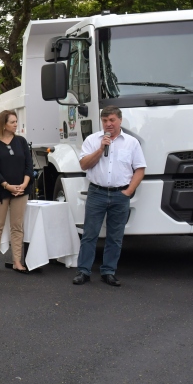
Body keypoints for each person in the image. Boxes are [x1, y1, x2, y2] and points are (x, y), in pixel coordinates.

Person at [73, 106, 146, 287]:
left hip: (120, 194)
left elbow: (140, 169)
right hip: (96, 192)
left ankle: (108, 272)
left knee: (115, 236)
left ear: (120, 120)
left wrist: (128, 192)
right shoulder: (92, 140)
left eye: (112, 120)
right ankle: (84, 271)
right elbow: (83, 165)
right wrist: (100, 149)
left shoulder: (131, 143)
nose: (109, 124)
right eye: (105, 121)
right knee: (90, 234)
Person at [0, 110, 34, 273]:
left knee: (17, 226)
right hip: (0, 190)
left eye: (16, 121)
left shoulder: (21, 141)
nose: (15, 124)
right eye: (12, 122)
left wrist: (23, 184)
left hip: (21, 190)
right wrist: (7, 185)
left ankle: (17, 262)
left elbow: (29, 165)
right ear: (3, 124)